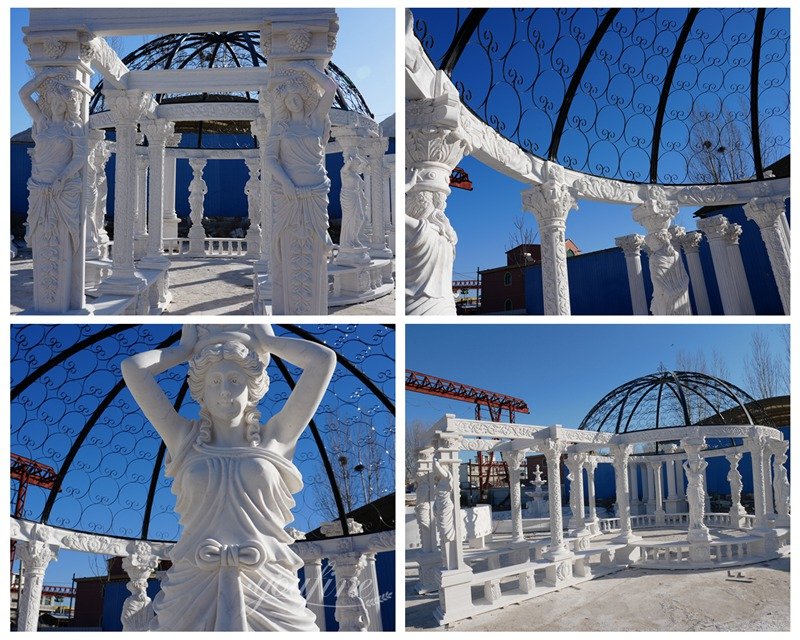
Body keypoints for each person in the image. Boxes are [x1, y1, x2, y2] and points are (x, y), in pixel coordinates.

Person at [121, 324, 337, 631]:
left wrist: (268, 341)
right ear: (202, 391)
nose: (224, 391)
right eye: (214, 381)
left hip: (266, 581)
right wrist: (182, 352)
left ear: (252, 387)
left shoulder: (276, 438)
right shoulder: (184, 439)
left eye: (235, 380)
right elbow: (133, 369)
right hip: (194, 582)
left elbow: (323, 361)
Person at [266, 62, 337, 314]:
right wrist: (287, 184)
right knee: (290, 247)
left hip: (316, 193)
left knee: (316, 246)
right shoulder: (280, 128)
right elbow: (270, 159)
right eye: (287, 98)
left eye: (296, 96)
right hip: (289, 196)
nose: (292, 101)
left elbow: (330, 87)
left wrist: (304, 68)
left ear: (304, 98)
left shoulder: (316, 122)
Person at [19, 70, 87, 311]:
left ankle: (56, 303)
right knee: (41, 236)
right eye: (53, 101)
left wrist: (62, 178)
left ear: (68, 104)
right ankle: (47, 304)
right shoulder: (43, 123)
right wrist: (44, 77)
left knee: (61, 240)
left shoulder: (74, 128)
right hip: (38, 189)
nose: (57, 106)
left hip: (63, 190)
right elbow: (23, 95)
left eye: (62, 102)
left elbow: (80, 158)